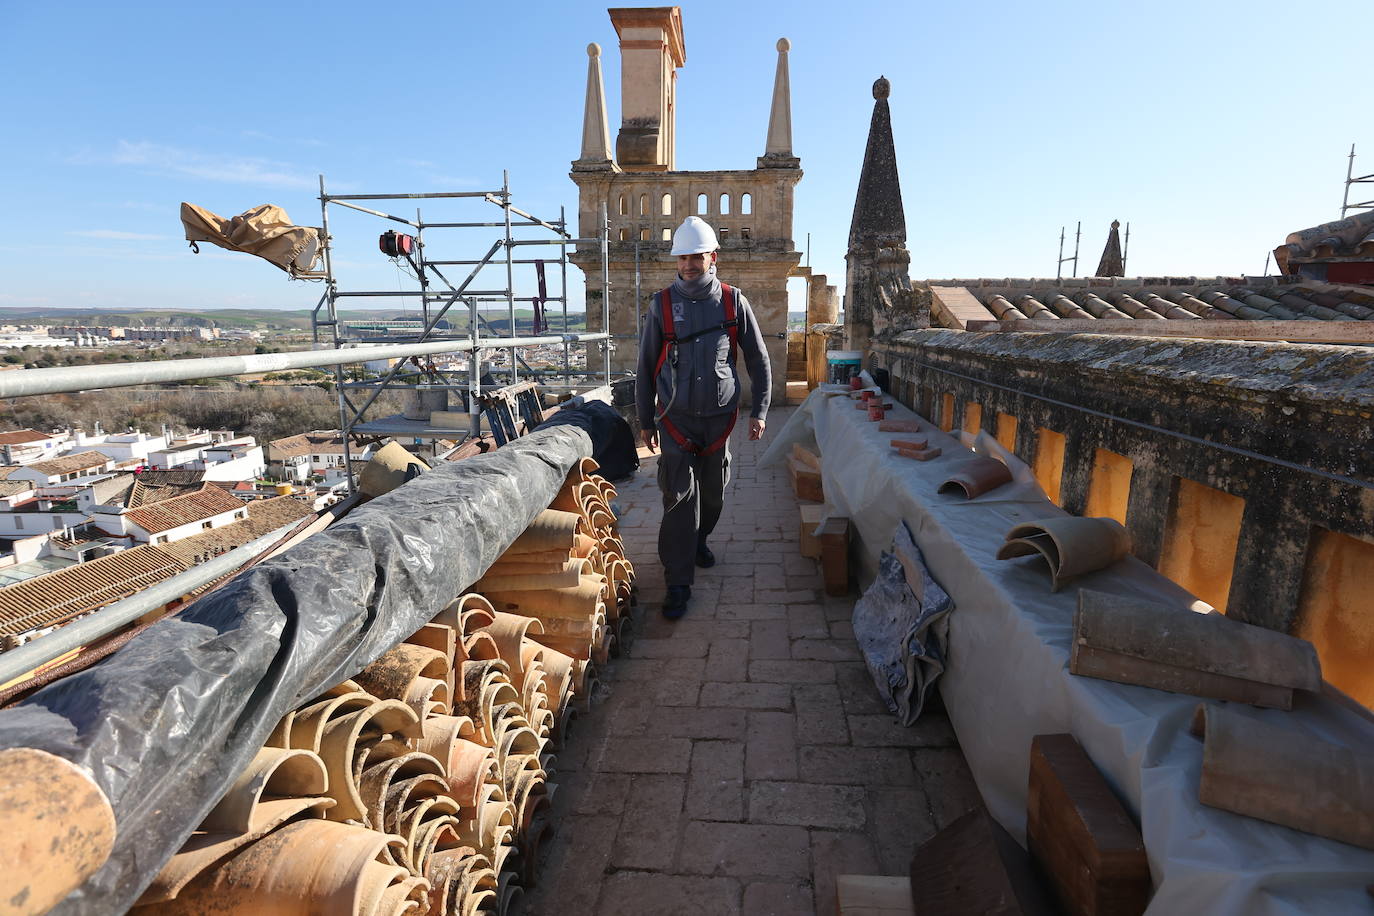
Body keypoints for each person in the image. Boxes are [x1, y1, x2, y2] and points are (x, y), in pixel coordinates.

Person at [636, 216, 772, 618]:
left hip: (718, 421)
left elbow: (758, 360)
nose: (689, 265)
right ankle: (678, 582)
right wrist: (646, 421)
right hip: (676, 420)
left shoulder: (733, 302)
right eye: (683, 258)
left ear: (713, 257)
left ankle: (698, 540)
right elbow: (644, 368)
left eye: (697, 257)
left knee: (712, 494)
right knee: (679, 497)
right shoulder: (661, 305)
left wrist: (760, 410)